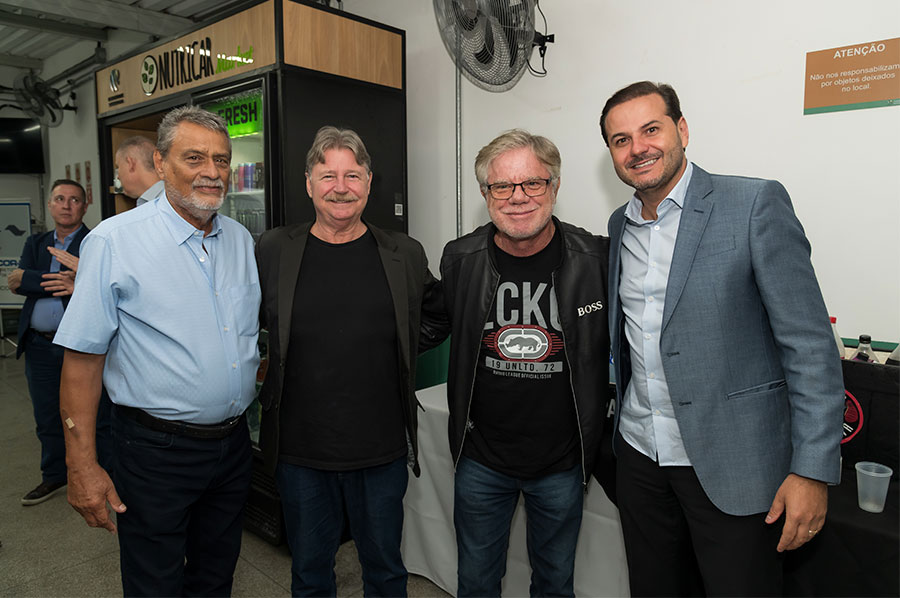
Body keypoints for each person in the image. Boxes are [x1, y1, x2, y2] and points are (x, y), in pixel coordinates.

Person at [600, 81, 844, 596]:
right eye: (621, 140)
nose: (638, 148)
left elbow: (810, 347)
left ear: (682, 130)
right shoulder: (619, 226)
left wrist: (812, 470)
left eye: (650, 129)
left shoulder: (753, 204)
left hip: (735, 462)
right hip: (641, 458)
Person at [54, 106, 261, 597]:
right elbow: (82, 362)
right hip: (155, 452)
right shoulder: (114, 241)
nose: (212, 171)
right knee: (155, 584)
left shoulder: (239, 239)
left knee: (216, 576)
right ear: (161, 162)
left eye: (221, 159)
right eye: (194, 158)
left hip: (233, 447)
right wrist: (81, 467)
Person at [420, 130, 610, 597]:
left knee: (555, 583)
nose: (517, 197)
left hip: (562, 461)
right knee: (476, 582)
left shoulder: (596, 259)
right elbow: (427, 324)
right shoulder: (460, 259)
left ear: (555, 186)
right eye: (502, 186)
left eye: (533, 183)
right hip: (481, 460)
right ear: (485, 194)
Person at [255, 126, 441, 597]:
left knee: (385, 571)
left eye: (353, 175)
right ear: (308, 184)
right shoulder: (274, 249)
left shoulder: (403, 252)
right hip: (300, 451)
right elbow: (249, 318)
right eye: (328, 176)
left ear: (369, 182)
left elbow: (437, 314)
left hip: (381, 450)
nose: (341, 187)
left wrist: (394, 351)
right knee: (310, 573)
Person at [7, 179, 112, 506]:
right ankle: (54, 475)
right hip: (40, 346)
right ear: (50, 204)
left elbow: (102, 284)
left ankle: (105, 474)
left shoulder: (97, 242)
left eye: (74, 200)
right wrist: (67, 279)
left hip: (82, 348)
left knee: (97, 415)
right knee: (48, 415)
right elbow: (16, 283)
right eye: (60, 199)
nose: (66, 205)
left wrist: (32, 278)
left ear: (85, 206)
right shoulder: (36, 242)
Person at [114, 135, 164, 205]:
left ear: (130, 164)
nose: (118, 177)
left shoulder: (167, 203)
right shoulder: (171, 198)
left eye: (118, 167)